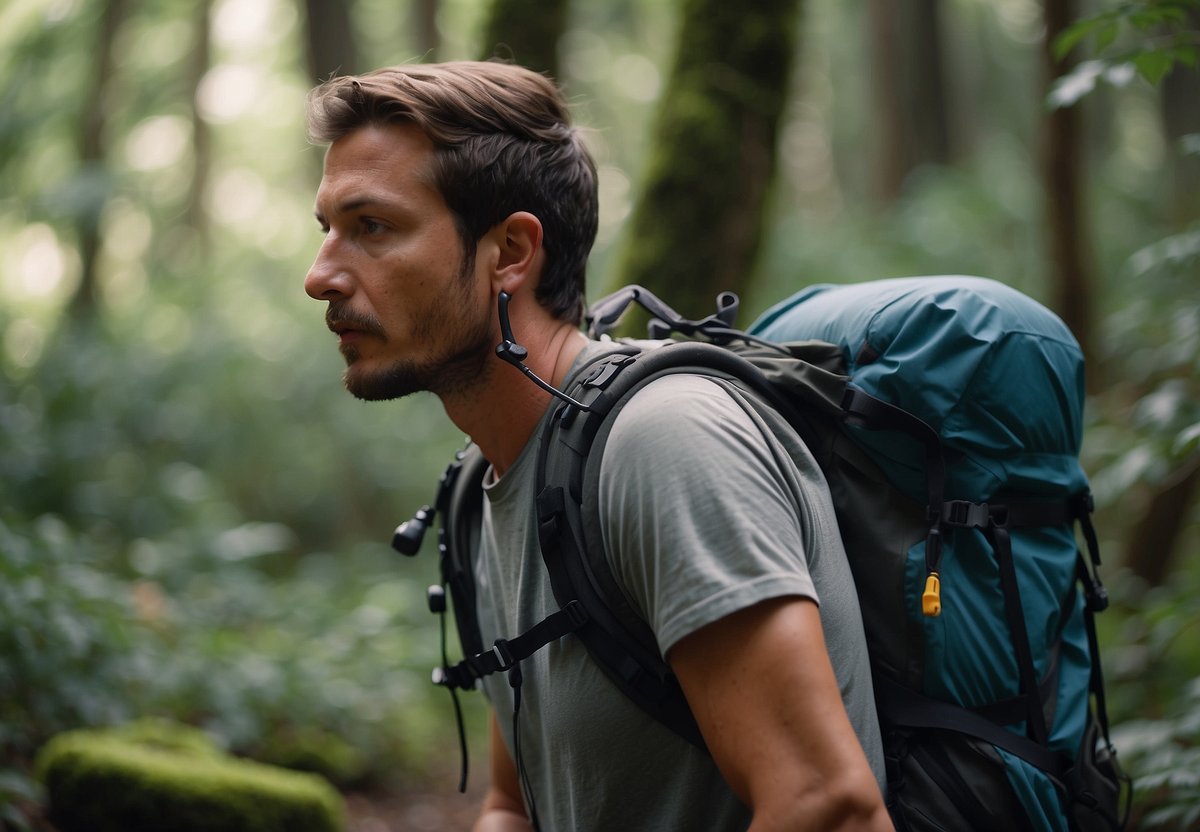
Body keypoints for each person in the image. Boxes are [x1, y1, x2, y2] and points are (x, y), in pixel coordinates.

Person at [303, 60, 893, 832]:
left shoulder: (665, 443)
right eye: (327, 231)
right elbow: (514, 807)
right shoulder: (490, 480)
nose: (320, 276)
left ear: (510, 252)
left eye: (371, 227)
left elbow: (828, 808)